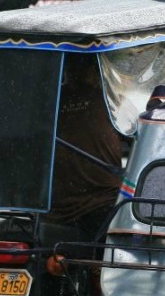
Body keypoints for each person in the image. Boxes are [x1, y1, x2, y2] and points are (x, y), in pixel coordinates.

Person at [45, 53, 126, 239]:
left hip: (52, 209)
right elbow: (139, 133)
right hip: (101, 205)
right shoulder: (110, 100)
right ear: (96, 70)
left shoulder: (51, 100)